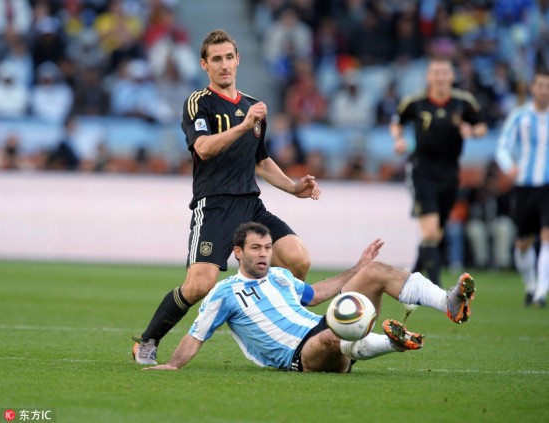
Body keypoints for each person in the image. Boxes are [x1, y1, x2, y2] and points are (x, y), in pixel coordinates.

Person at [132, 29, 321, 365]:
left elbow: (260, 161)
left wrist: (293, 188)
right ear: (204, 65)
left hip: (250, 205)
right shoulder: (199, 103)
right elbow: (204, 149)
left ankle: (287, 331)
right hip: (214, 204)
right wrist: (244, 125)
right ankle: (147, 341)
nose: (224, 65)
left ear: (238, 59)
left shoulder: (251, 106)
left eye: (229, 57)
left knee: (298, 260)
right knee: (199, 285)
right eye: (216, 59)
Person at [143, 222, 476, 373]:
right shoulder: (225, 292)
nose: (264, 254)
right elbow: (196, 334)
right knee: (332, 335)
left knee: (374, 271)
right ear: (238, 252)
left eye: (268, 247)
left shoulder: (281, 275)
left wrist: (357, 268)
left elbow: (317, 294)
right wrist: (172, 365)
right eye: (256, 248)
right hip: (301, 354)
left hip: (327, 326)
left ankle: (447, 302)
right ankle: (391, 342)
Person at [389, 57, 487, 287]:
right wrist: (398, 139)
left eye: (444, 72)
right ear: (428, 76)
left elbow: (482, 126)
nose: (440, 77)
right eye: (436, 72)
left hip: (450, 173)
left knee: (436, 232)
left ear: (452, 76)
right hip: (422, 170)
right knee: (430, 230)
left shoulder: (463, 102)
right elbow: (397, 122)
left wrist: (472, 131)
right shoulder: (416, 102)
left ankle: (412, 277)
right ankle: (436, 289)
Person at [495, 68, 549, 307]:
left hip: (547, 186)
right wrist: (509, 166)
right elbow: (502, 147)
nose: (544, 91)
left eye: (548, 87)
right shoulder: (519, 116)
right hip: (524, 187)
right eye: (541, 86)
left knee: (547, 236)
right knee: (523, 244)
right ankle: (530, 285)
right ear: (532, 88)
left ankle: (541, 293)